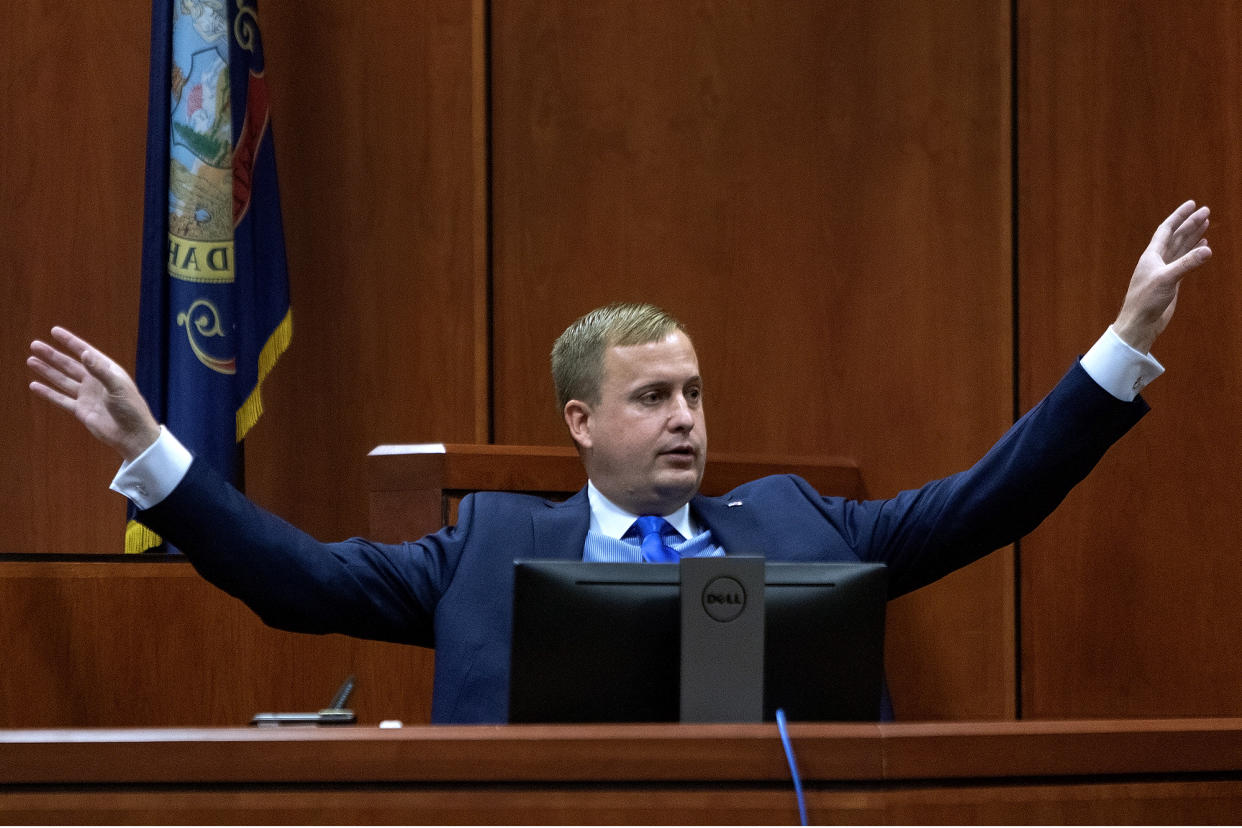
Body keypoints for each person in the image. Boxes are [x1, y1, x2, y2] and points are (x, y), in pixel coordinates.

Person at [28, 201, 1213, 724]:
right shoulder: (488, 546)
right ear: (581, 425)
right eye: (652, 398)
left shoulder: (801, 526)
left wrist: (1122, 344)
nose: (687, 417)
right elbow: (299, 582)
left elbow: (989, 500)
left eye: (694, 393)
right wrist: (157, 458)